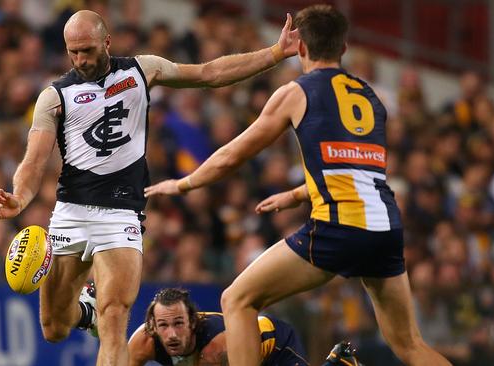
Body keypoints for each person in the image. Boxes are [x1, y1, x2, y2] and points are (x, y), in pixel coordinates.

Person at [144, 5, 452, 366]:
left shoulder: (296, 92)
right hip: (385, 227)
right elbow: (359, 173)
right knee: (410, 345)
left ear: (300, 48)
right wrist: (294, 194)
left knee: (237, 299)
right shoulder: (371, 97)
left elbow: (232, 156)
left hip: (338, 228)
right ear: (344, 48)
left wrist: (184, 184)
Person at [0, 10, 300, 366]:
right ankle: (84, 312)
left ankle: (99, 311)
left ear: (107, 42)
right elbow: (34, 160)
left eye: (87, 50)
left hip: (121, 212)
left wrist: (274, 53)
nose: (80, 60)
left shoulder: (142, 70)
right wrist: (21, 196)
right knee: (54, 326)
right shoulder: (55, 96)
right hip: (71, 212)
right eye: (73, 52)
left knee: (115, 317)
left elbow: (209, 73)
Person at [128, 287, 362, 366]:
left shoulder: (215, 350)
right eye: (163, 325)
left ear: (192, 322)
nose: (172, 334)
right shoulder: (142, 343)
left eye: (178, 323)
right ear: (152, 326)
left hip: (274, 347)